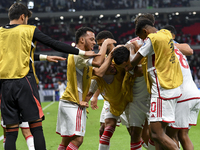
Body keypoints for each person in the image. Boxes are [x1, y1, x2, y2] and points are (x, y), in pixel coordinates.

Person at [0, 3, 98, 150]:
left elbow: (21, 56)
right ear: (23, 17)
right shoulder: (28, 30)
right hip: (24, 81)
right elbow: (53, 43)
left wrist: (45, 57)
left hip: (5, 86)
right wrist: (82, 53)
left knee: (11, 132)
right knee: (36, 127)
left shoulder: (1, 32)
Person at [113, 18, 183, 150]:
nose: (142, 39)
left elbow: (133, 62)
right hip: (173, 86)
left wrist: (131, 49)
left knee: (156, 134)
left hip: (161, 89)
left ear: (145, 31)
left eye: (141, 36)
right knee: (162, 134)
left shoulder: (151, 39)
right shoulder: (166, 34)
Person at [56, 27, 116, 150]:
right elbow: (99, 64)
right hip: (73, 102)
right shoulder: (78, 55)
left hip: (68, 101)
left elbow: (98, 72)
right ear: (82, 40)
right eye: (92, 39)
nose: (94, 42)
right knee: (78, 139)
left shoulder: (80, 56)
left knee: (66, 141)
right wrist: (105, 44)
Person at [163, 25, 200, 150]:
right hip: (194, 93)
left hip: (183, 96)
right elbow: (189, 50)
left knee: (171, 134)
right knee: (183, 134)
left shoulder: (165, 49)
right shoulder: (179, 49)